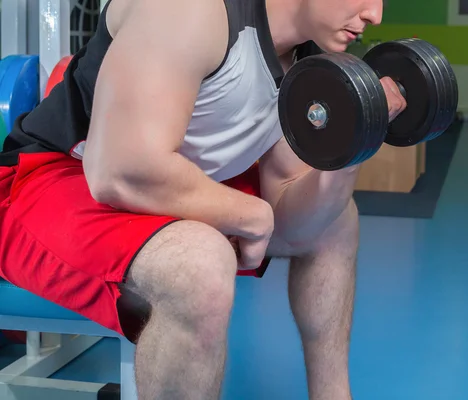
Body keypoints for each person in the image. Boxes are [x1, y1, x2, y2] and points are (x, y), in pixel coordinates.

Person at [0, 0, 406, 398]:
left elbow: (299, 225)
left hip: (172, 179)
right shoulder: (190, 9)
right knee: (200, 264)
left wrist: (356, 135)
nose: (376, 14)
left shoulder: (310, 61)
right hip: (53, 177)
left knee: (336, 221)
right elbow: (119, 171)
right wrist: (251, 215)